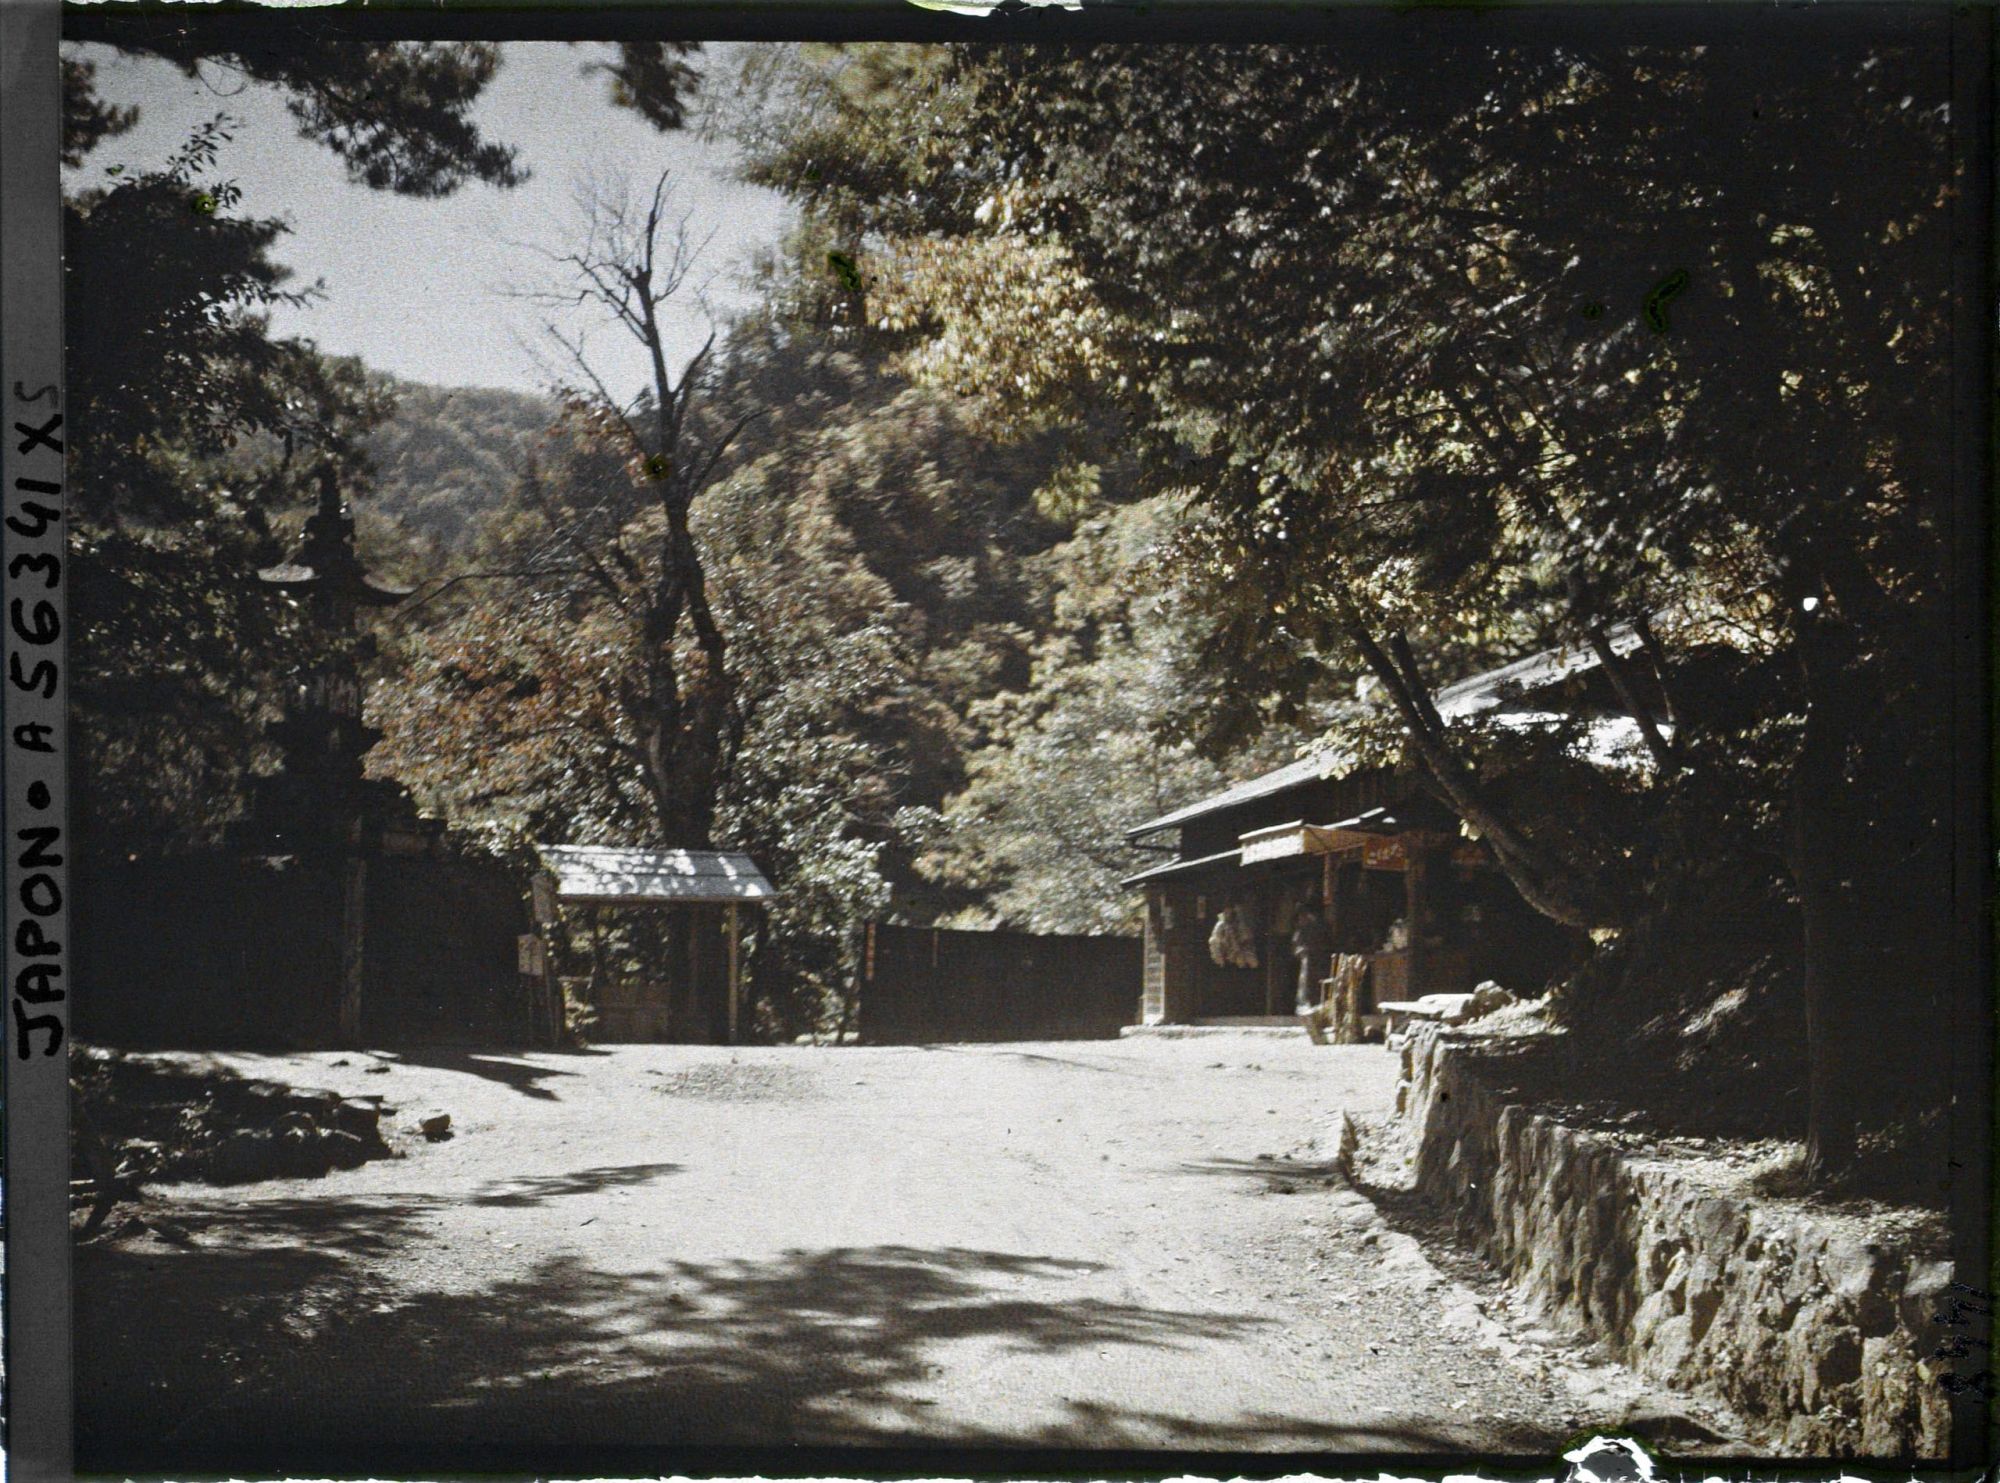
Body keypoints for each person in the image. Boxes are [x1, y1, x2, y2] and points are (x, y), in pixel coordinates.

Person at [1290, 896, 1333, 1015]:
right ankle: (1308, 1006)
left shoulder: (1318, 926)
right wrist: (1301, 950)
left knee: (1315, 984)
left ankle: (1316, 1006)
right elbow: (1296, 946)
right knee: (1307, 984)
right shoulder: (1303, 928)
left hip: (1318, 960)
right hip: (1309, 960)